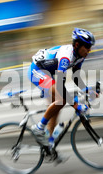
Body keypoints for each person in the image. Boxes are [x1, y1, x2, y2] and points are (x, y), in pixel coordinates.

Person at [28, 28, 97, 164]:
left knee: (58, 105)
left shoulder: (80, 56)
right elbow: (60, 86)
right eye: (87, 47)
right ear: (77, 45)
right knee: (62, 99)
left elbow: (76, 77)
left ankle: (49, 146)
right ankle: (38, 129)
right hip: (37, 70)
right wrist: (76, 105)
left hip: (48, 73)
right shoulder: (66, 57)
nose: (89, 50)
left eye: (90, 47)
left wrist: (87, 90)